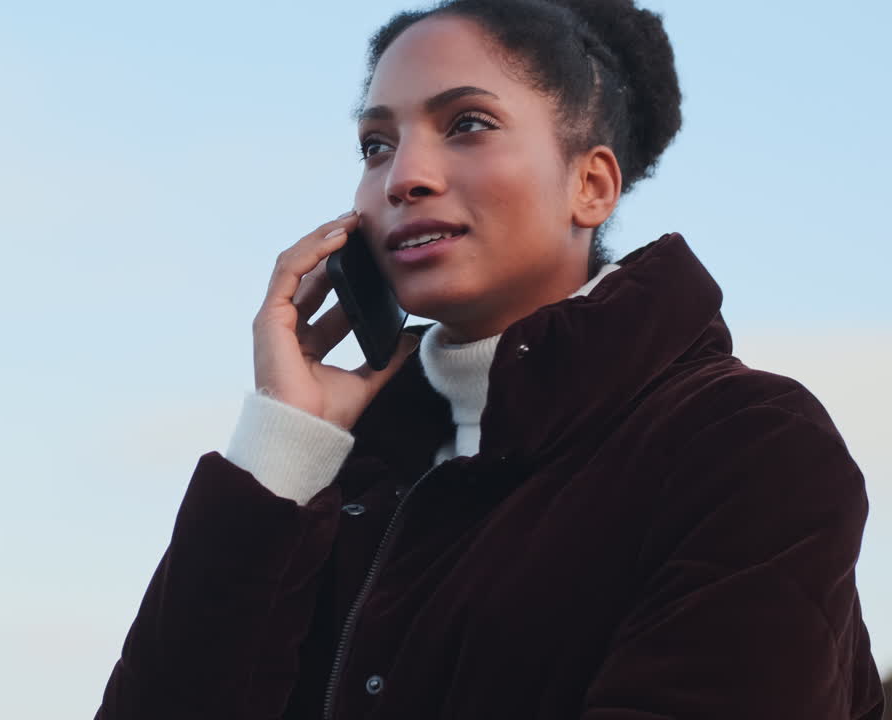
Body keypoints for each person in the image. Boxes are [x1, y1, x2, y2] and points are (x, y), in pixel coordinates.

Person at [96, 1, 885, 717]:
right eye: (377, 144)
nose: (405, 176)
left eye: (467, 123)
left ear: (592, 184)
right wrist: (281, 451)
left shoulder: (745, 444)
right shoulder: (346, 468)